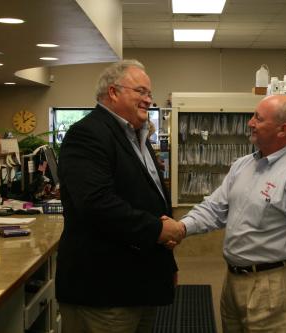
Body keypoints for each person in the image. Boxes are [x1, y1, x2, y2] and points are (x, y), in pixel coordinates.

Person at [164, 95, 286, 332]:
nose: (250, 123)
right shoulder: (243, 165)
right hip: (233, 282)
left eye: (258, 118)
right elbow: (215, 208)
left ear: (282, 130)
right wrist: (181, 227)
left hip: (273, 286)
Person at [56, 59, 184, 333]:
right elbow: (96, 204)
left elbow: (149, 199)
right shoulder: (87, 134)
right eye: (141, 92)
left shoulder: (136, 136)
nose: (148, 100)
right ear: (113, 92)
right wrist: (158, 230)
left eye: (149, 94)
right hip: (103, 291)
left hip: (139, 284)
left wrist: (166, 262)